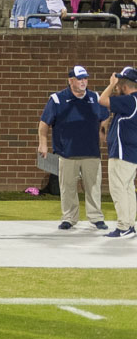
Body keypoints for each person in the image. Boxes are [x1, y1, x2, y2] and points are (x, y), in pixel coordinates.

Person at [38, 65, 109, 231]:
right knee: (67, 186)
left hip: (91, 152)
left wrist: (101, 130)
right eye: (79, 79)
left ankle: (96, 217)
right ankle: (69, 218)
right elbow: (44, 124)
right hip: (67, 153)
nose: (83, 81)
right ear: (70, 81)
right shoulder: (57, 99)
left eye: (85, 78)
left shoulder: (95, 97)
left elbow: (105, 116)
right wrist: (43, 143)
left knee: (93, 186)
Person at [99, 67, 137, 237]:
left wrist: (110, 84)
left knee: (119, 190)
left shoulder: (130, 100)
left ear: (125, 84)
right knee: (128, 189)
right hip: (130, 154)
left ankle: (124, 227)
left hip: (123, 154)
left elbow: (102, 100)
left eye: (120, 82)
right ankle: (129, 225)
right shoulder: (131, 102)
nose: (117, 85)